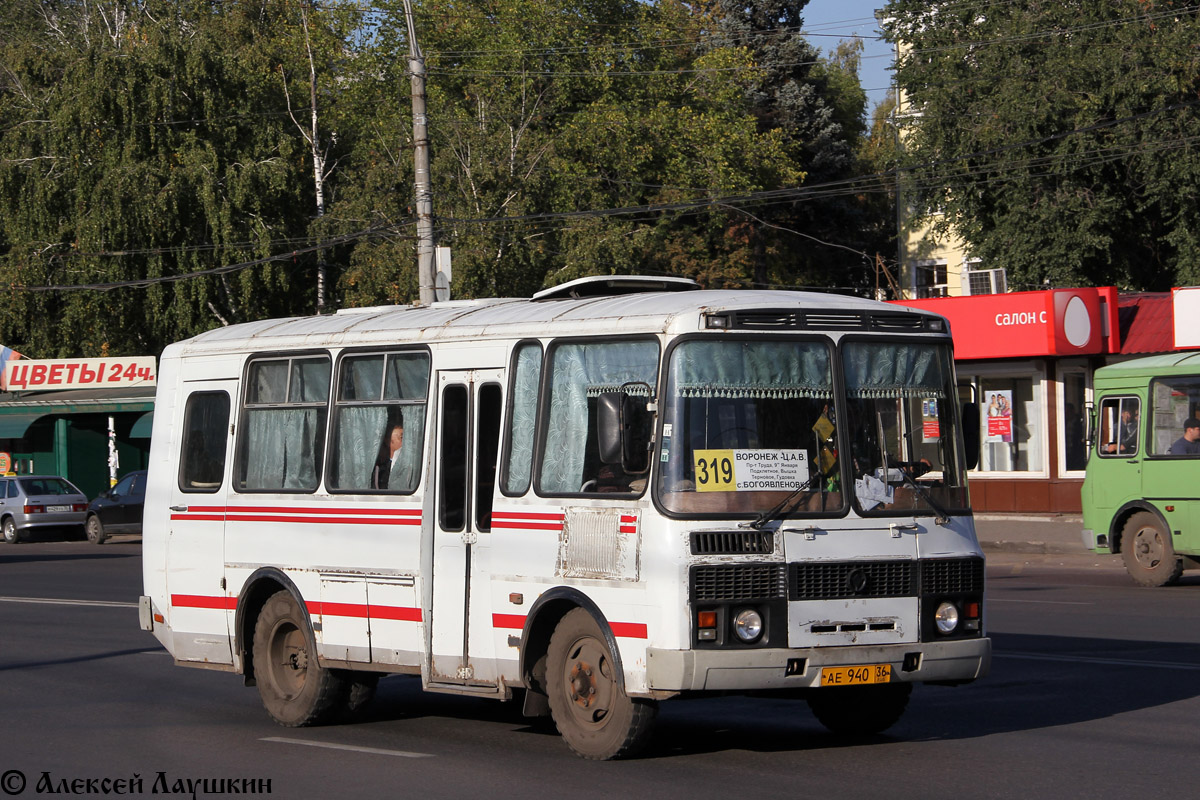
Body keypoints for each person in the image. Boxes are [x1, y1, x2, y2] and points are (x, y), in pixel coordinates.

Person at [372, 422, 414, 490]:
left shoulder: (410, 465)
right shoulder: (379, 469)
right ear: (388, 441)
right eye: (401, 437)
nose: (405, 442)